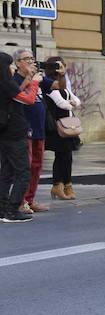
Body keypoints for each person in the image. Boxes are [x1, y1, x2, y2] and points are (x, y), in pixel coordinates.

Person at [0, 52, 36, 222]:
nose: (12, 67)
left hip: (4, 132)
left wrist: (27, 80)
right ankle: (12, 210)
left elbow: (15, 95)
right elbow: (28, 99)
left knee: (6, 172)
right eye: (10, 64)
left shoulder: (5, 85)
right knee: (23, 173)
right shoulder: (6, 83)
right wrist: (35, 83)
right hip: (14, 132)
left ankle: (2, 208)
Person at [15, 49, 52, 214]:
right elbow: (20, 95)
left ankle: (30, 200)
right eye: (26, 59)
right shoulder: (14, 80)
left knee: (37, 166)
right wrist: (32, 80)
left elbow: (57, 86)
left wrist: (59, 73)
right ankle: (20, 201)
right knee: (25, 166)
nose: (31, 61)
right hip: (23, 129)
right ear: (18, 63)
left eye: (32, 58)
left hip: (39, 129)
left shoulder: (38, 77)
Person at [43, 56, 81, 201]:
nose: (61, 69)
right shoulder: (49, 85)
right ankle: (59, 185)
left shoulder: (62, 84)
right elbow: (61, 103)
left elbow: (76, 99)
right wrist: (71, 103)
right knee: (62, 156)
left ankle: (66, 185)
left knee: (66, 156)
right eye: (58, 66)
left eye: (63, 66)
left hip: (68, 123)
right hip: (57, 125)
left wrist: (73, 102)